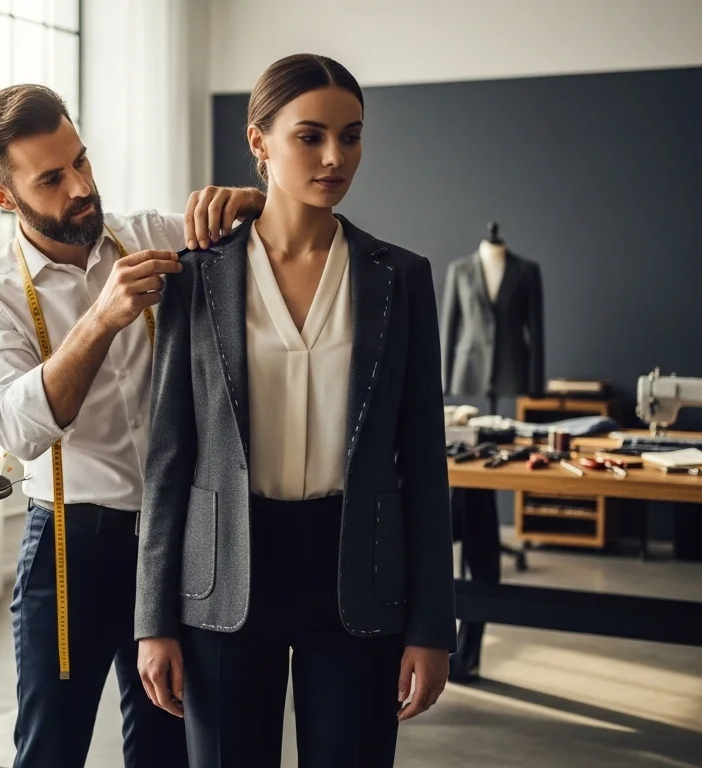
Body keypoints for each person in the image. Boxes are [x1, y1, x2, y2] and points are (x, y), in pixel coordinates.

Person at [134, 53, 457, 766]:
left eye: (352, 135)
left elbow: (423, 466)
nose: (336, 156)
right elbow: (169, 457)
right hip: (224, 575)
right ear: (260, 142)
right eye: (309, 136)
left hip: (358, 576)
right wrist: (152, 620)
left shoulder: (401, 278)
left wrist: (433, 625)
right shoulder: (197, 277)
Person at [0, 83, 266, 768]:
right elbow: (19, 430)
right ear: (2, 197)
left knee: (167, 745)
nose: (81, 187)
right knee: (51, 748)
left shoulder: (151, 236)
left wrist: (250, 201)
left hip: (175, 540)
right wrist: (101, 317)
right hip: (71, 544)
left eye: (82, 162)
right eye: (53, 178)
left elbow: (276, 234)